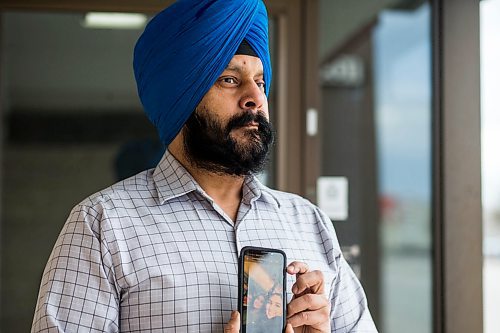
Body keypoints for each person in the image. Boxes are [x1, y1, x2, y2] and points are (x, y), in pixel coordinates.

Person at [31, 0, 378, 332]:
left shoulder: (308, 221)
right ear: (182, 99)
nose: (255, 98)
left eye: (260, 82)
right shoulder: (104, 225)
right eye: (230, 79)